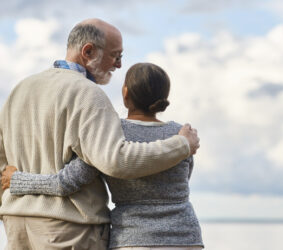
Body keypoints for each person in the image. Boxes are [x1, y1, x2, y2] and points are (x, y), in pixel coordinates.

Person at [0, 19, 200, 250]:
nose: (119, 65)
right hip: (68, 228)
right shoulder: (87, 94)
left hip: (16, 224)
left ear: (126, 95)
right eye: (116, 56)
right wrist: (182, 145)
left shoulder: (20, 89)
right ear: (88, 51)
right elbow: (115, 160)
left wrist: (9, 195)